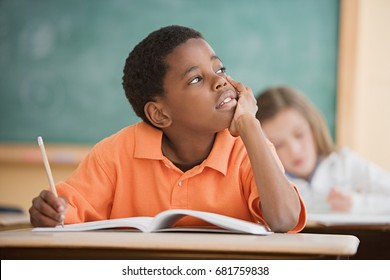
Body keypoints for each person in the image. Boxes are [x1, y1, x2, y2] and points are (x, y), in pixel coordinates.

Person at [29, 25, 306, 233]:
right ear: (159, 114)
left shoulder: (249, 147)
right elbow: (66, 213)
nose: (220, 82)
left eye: (220, 69)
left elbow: (284, 219)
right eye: (196, 79)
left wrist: (249, 124)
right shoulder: (113, 155)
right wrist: (50, 213)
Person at [256, 86, 390, 214]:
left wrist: (357, 203)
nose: (294, 150)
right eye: (278, 144)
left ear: (314, 127)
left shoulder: (345, 163)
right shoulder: (262, 183)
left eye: (300, 134)